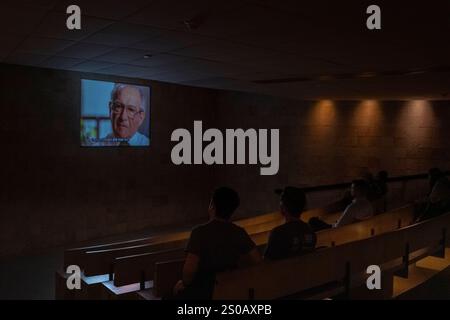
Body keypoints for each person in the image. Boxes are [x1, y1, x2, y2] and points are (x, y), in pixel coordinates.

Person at [172, 187, 261, 300]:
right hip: (230, 288)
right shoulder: (239, 232)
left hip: (204, 291)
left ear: (212, 206)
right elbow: (257, 259)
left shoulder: (199, 232)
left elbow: (189, 271)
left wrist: (184, 283)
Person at [265, 187, 316, 260]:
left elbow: (267, 263)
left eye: (281, 201)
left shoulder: (278, 233)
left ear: (283, 207)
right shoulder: (310, 231)